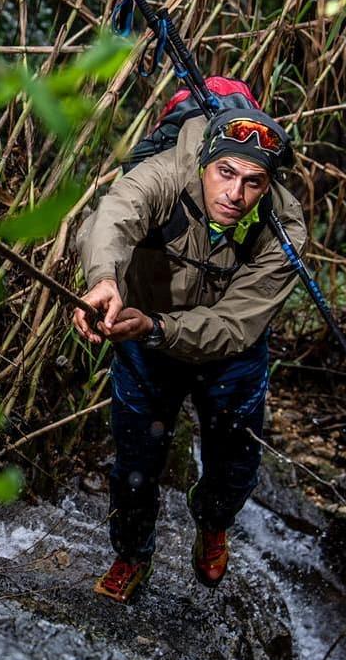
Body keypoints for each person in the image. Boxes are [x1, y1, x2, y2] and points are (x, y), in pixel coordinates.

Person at [73, 108, 306, 601]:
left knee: (235, 462)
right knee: (135, 462)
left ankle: (214, 520)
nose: (235, 194)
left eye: (253, 182)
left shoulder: (284, 230)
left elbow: (234, 324)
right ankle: (132, 554)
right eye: (225, 173)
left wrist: (158, 327)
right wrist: (104, 281)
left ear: (268, 185)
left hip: (229, 354)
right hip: (144, 340)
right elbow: (114, 215)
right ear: (204, 163)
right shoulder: (162, 176)